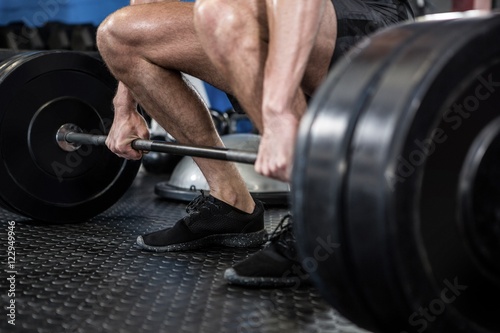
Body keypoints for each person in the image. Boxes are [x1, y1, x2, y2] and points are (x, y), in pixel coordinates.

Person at [96, 0, 413, 287]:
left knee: (223, 13)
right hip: (243, 18)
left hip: (368, 28)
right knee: (118, 34)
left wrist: (278, 112)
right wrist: (125, 107)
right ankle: (230, 203)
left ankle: (320, 224)